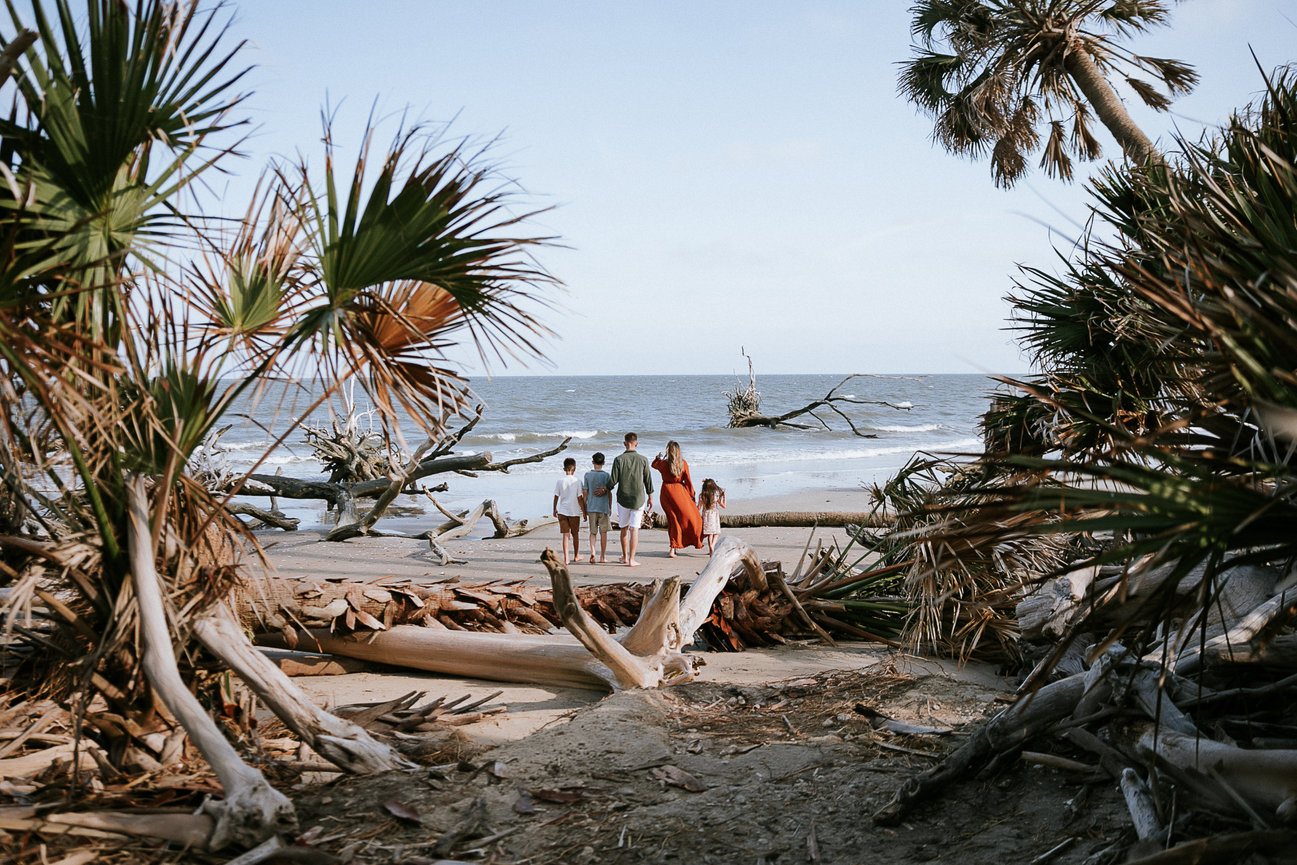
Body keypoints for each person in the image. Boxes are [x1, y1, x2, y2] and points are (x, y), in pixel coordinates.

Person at [651, 440, 704, 557]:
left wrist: (657, 458)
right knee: (691, 518)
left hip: (666, 493)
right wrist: (692, 496)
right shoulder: (683, 463)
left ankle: (673, 548)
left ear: (668, 451)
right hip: (679, 493)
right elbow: (688, 481)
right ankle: (688, 541)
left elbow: (653, 465)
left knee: (673, 520)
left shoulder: (663, 464)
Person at [607, 432, 653, 567]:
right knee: (635, 529)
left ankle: (625, 556)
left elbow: (613, 480)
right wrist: (650, 497)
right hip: (638, 498)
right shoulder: (643, 460)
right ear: (636, 443)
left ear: (624, 443)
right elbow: (648, 480)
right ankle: (632, 559)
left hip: (623, 498)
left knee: (624, 528)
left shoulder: (618, 459)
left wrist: (604, 489)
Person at [582, 452, 613, 563]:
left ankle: (593, 551)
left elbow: (585, 492)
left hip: (591, 507)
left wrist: (584, 507)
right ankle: (602, 557)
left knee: (593, 532)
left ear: (593, 462)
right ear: (604, 462)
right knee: (603, 532)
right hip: (603, 507)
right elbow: (609, 492)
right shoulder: (606, 475)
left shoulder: (588, 475)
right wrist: (610, 506)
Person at [552, 456, 583, 565]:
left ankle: (566, 558)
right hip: (574, 512)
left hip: (563, 511)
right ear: (574, 468)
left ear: (564, 469)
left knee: (565, 535)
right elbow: (580, 498)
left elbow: (556, 496)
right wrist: (584, 511)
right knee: (575, 534)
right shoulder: (578, 481)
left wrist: (554, 509)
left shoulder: (560, 481)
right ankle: (576, 556)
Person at [698, 477, 727, 555]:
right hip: (714, 515)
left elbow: (698, 507)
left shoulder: (701, 496)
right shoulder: (715, 496)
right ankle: (712, 546)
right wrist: (724, 496)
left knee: (710, 533)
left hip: (706, 515)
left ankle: (711, 550)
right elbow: (723, 506)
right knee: (716, 532)